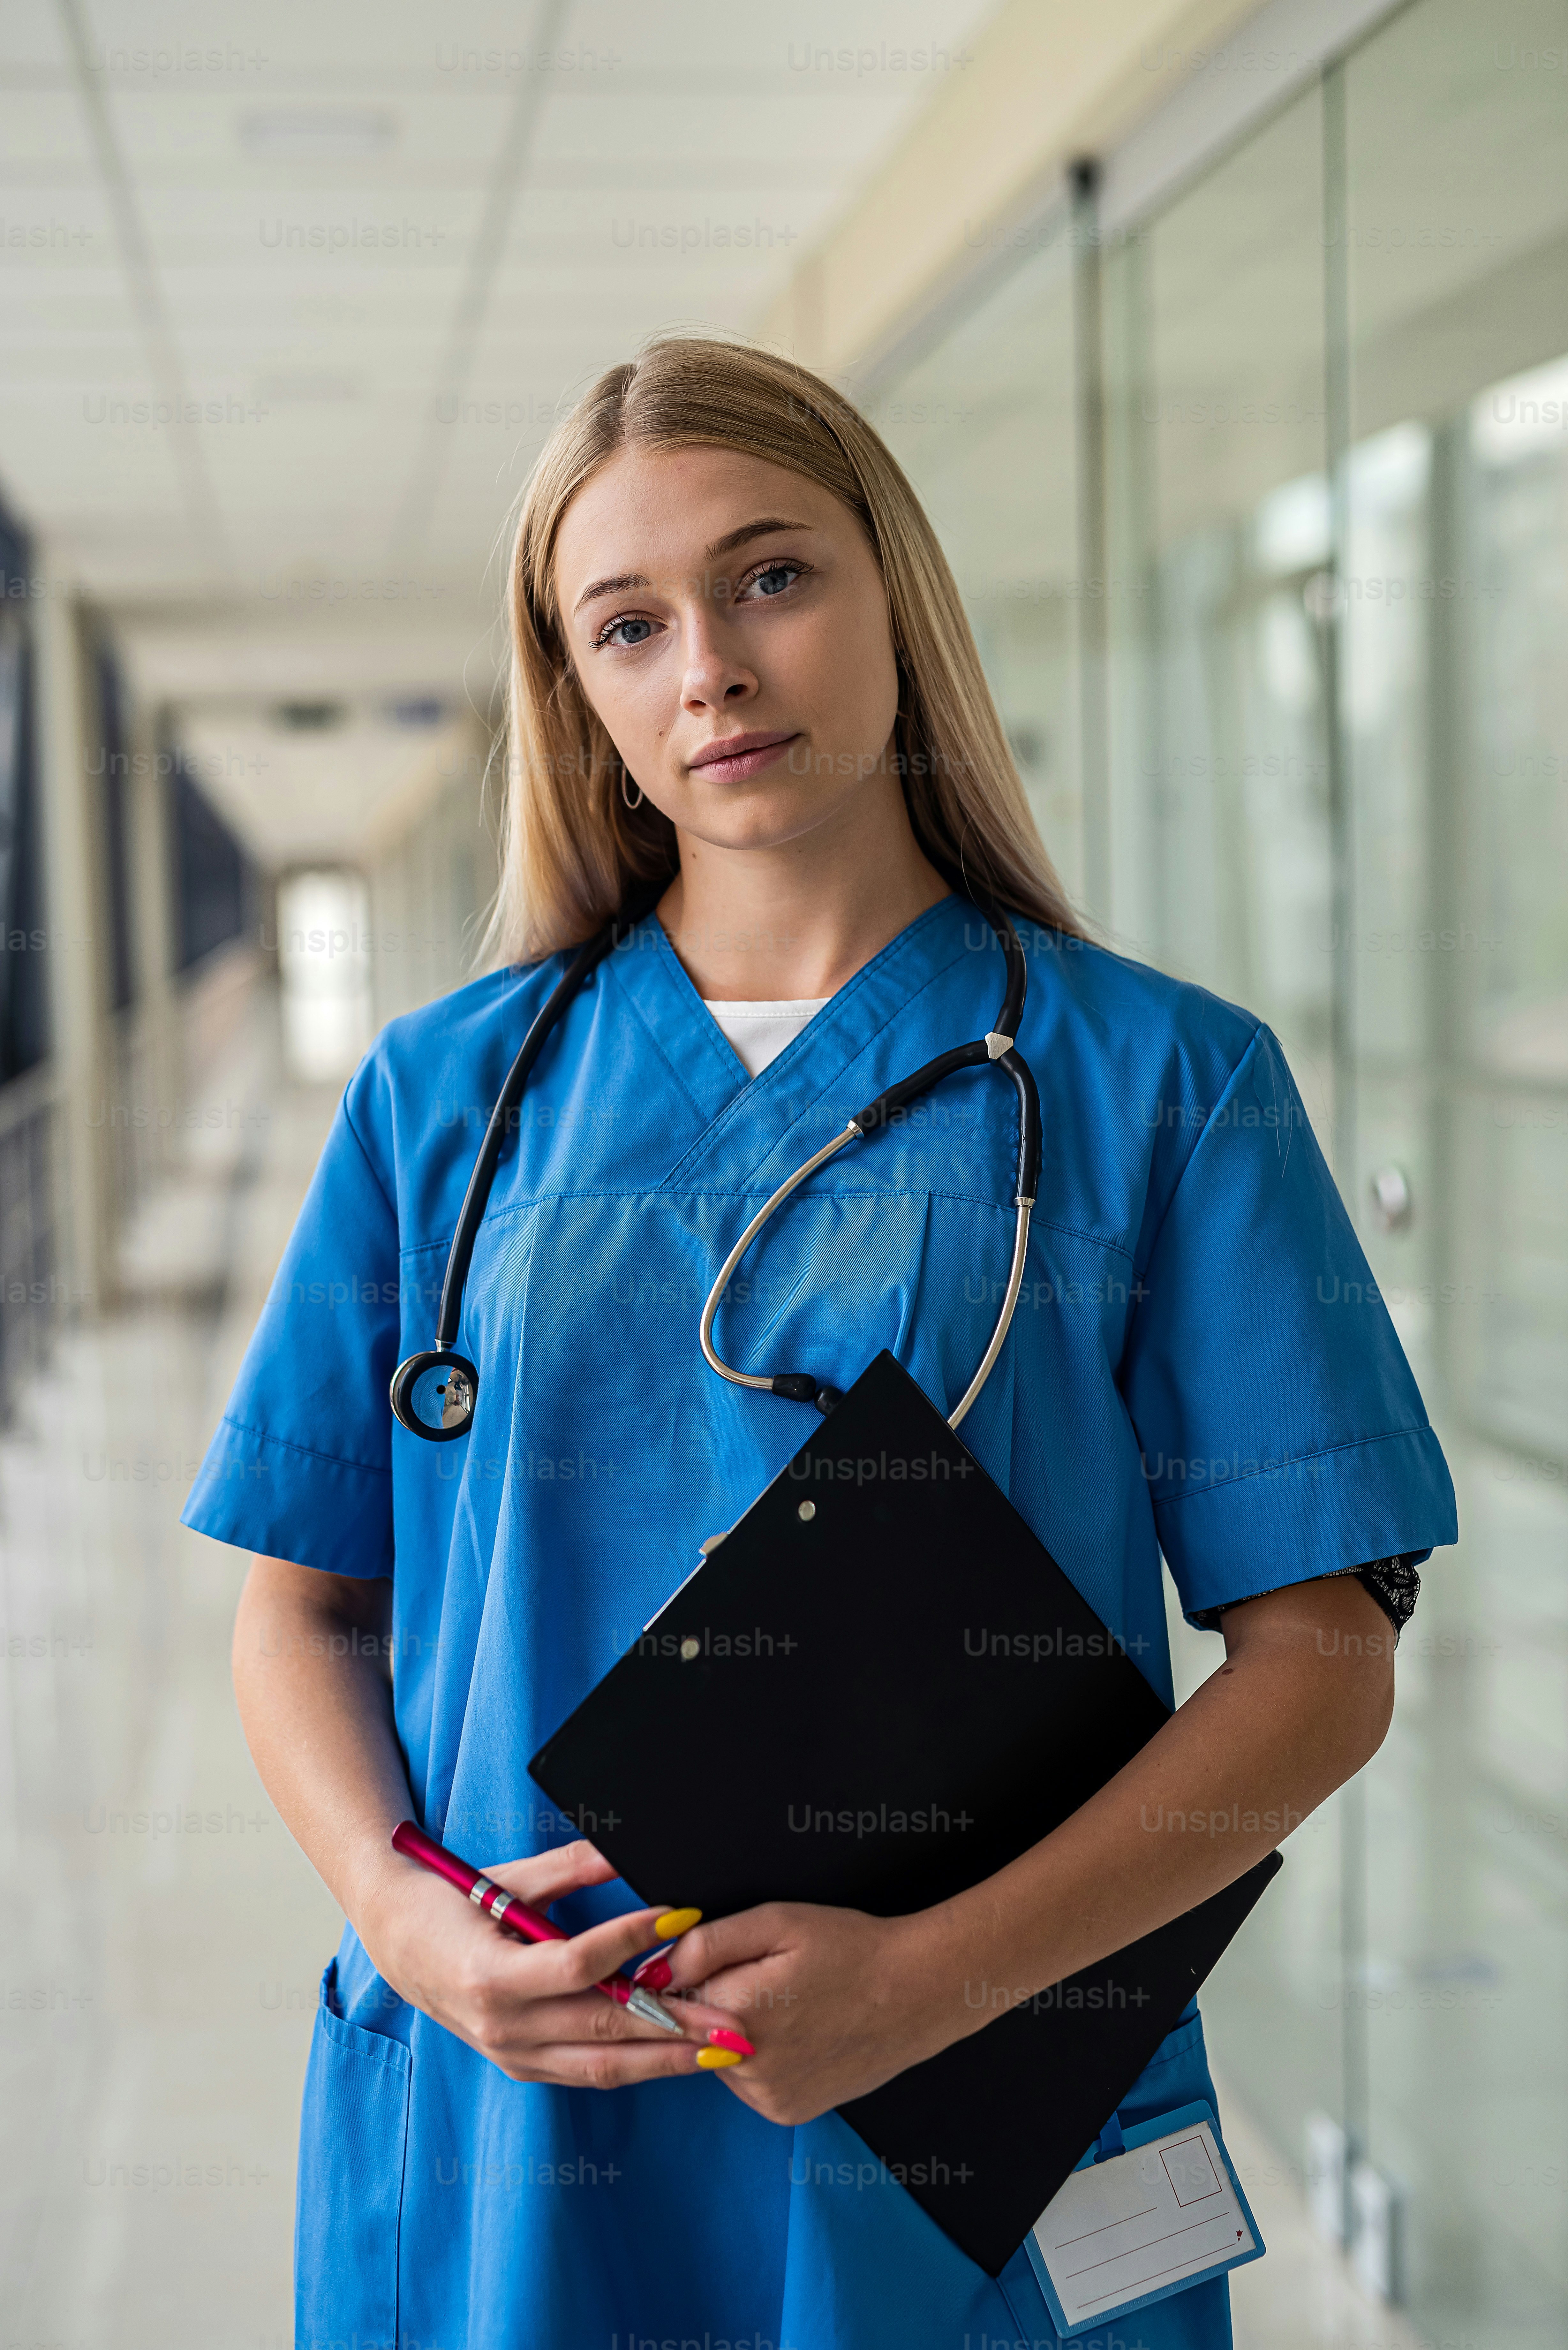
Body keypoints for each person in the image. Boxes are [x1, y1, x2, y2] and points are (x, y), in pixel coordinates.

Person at [185, 337, 1456, 2349]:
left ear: (894, 601)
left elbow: (1324, 1663)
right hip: (531, 2091)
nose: (710, 665)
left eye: (771, 577)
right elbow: (302, 1609)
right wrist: (406, 1930)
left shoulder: (1159, 1083)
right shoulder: (444, 1102)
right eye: (630, 623)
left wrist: (930, 1982)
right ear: (580, 694)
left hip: (969, 2107)